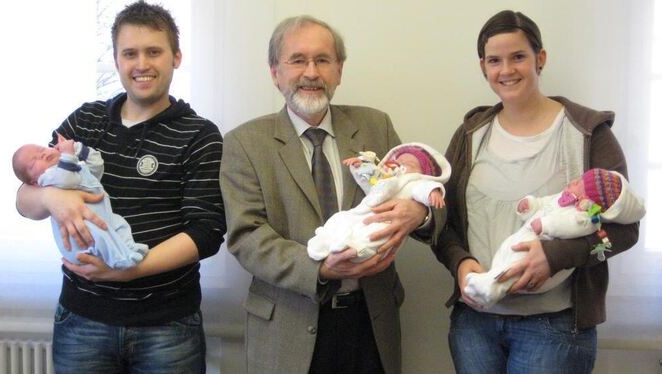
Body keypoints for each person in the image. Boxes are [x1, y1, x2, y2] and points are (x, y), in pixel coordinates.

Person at [220, 15, 445, 374]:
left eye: (323, 60)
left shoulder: (376, 125)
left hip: (370, 323)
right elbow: (247, 237)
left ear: (339, 70)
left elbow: (423, 189)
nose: (311, 72)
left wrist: (420, 213)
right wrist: (319, 267)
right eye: (298, 60)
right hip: (287, 325)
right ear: (275, 71)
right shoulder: (244, 143)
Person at [14, 2, 226, 373]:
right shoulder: (84, 121)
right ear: (116, 60)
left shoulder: (200, 135)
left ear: (176, 57)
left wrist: (128, 271)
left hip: (168, 327)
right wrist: (51, 197)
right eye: (130, 53)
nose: (141, 64)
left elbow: (206, 233)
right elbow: (24, 198)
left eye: (154, 51)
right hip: (82, 320)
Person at [433, 10, 641, 374]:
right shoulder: (470, 135)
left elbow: (625, 231)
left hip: (555, 328)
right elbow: (440, 221)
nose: (506, 70)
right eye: (494, 60)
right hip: (475, 326)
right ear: (483, 66)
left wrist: (556, 255)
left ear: (539, 58)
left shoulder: (588, 134)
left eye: (518, 57)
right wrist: (460, 262)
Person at [464, 168, 645, 309]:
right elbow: (545, 203)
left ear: (586, 197)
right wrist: (530, 205)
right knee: (506, 254)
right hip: (526, 235)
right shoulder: (563, 197)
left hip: (541, 251)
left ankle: (490, 290)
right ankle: (488, 280)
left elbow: (568, 226)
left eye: (580, 182)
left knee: (515, 268)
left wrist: (546, 226)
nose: (574, 180)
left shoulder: (585, 218)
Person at [12, 135, 149, 269]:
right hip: (81, 230)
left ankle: (129, 248)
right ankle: (120, 258)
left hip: (103, 217)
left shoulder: (72, 164)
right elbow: (66, 179)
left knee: (120, 224)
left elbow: (97, 166)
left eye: (41, 149)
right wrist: (67, 154)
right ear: (34, 181)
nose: (41, 155)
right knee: (100, 236)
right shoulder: (47, 178)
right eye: (33, 162)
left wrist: (77, 148)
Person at [308, 142, 451, 262]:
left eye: (409, 164)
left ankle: (356, 249)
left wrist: (433, 193)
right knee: (340, 218)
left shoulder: (413, 183)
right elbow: (369, 180)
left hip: (386, 221)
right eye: (398, 161)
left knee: (375, 235)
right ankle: (324, 239)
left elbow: (424, 188)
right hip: (363, 212)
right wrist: (360, 166)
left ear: (422, 173)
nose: (401, 165)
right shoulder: (384, 177)